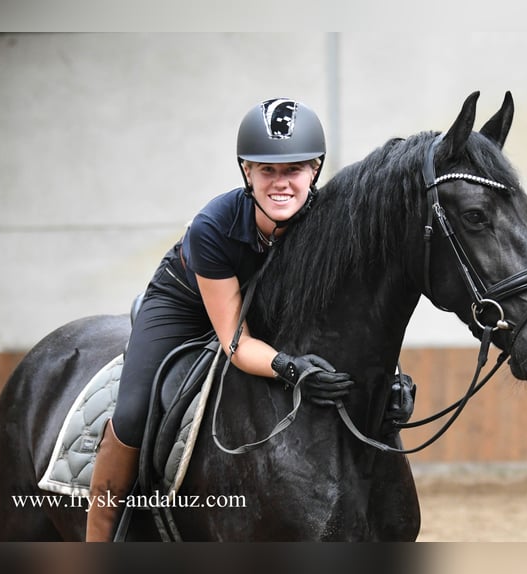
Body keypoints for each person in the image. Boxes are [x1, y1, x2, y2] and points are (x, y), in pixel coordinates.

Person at [85, 98, 410, 542]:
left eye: (293, 170)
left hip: (268, 304)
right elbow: (236, 342)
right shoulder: (213, 227)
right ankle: (100, 538)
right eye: (267, 171)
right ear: (246, 172)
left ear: (315, 169)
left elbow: (355, 318)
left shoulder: (331, 221)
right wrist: (291, 368)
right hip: (187, 304)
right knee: (134, 411)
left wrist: (391, 377)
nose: (281, 184)